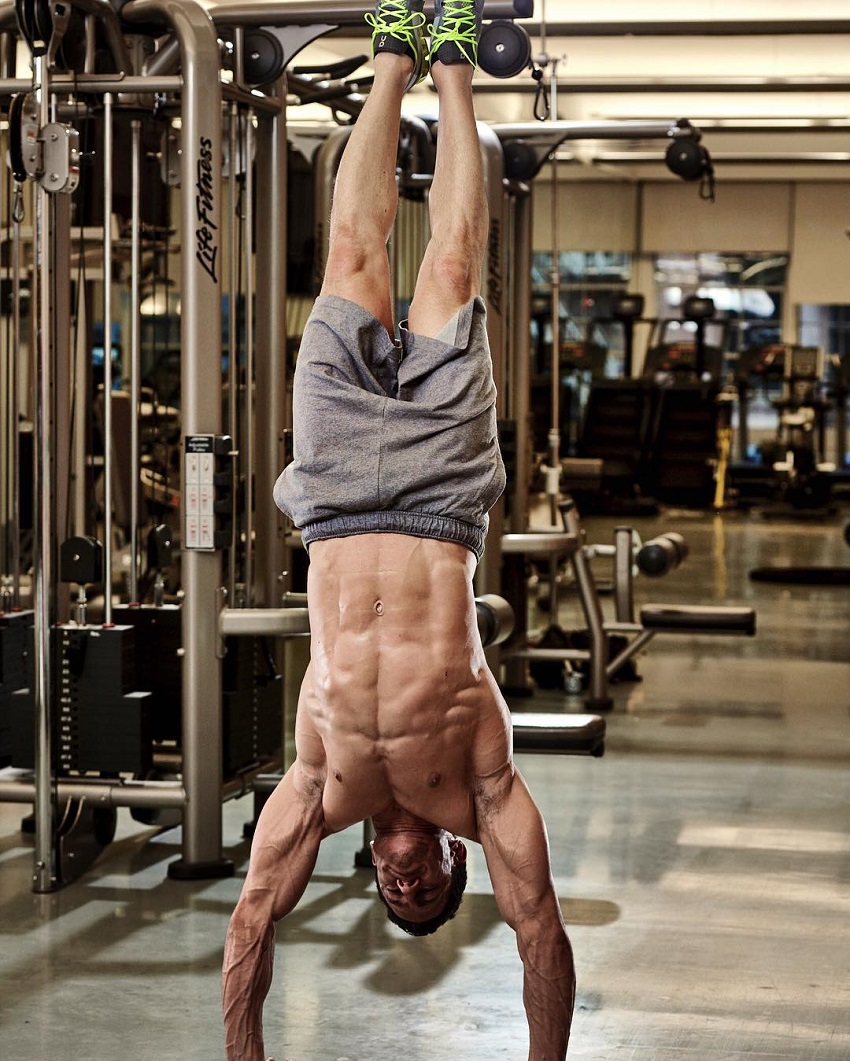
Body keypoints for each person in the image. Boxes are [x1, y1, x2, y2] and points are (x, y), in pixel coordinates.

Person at [222, 2, 575, 1058]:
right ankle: (451, 63)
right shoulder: (480, 787)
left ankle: (388, 54)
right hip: (434, 501)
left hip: (331, 497)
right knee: (453, 265)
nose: (405, 880)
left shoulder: (320, 792)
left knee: (348, 256)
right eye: (426, 890)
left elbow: (248, 928)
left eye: (395, 894)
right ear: (459, 865)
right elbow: (543, 937)